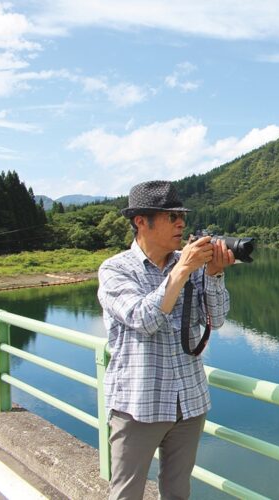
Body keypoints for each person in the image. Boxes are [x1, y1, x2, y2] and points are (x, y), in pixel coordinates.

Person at [97, 180, 235, 500]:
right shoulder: (116, 270)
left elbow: (216, 318)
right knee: (126, 493)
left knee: (177, 492)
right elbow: (143, 320)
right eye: (171, 216)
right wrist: (183, 270)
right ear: (140, 221)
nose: (181, 223)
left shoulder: (186, 266)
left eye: (181, 216)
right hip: (137, 405)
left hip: (188, 401)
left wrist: (213, 273)